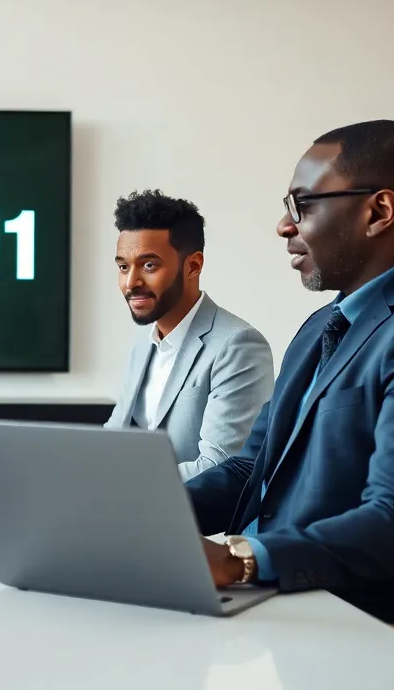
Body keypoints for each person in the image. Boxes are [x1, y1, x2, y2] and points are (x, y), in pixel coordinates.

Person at [192, 120, 394, 632]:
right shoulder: (325, 322)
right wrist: (145, 517)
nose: (283, 226)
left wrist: (240, 558)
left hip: (389, 641)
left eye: (302, 205)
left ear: (378, 211)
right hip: (286, 614)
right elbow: (253, 469)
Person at [104, 190, 275, 480]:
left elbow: (222, 467)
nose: (131, 282)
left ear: (193, 266)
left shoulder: (238, 345)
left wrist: (121, 484)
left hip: (200, 522)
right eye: (123, 267)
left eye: (149, 265)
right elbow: (114, 438)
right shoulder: (143, 344)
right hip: (132, 514)